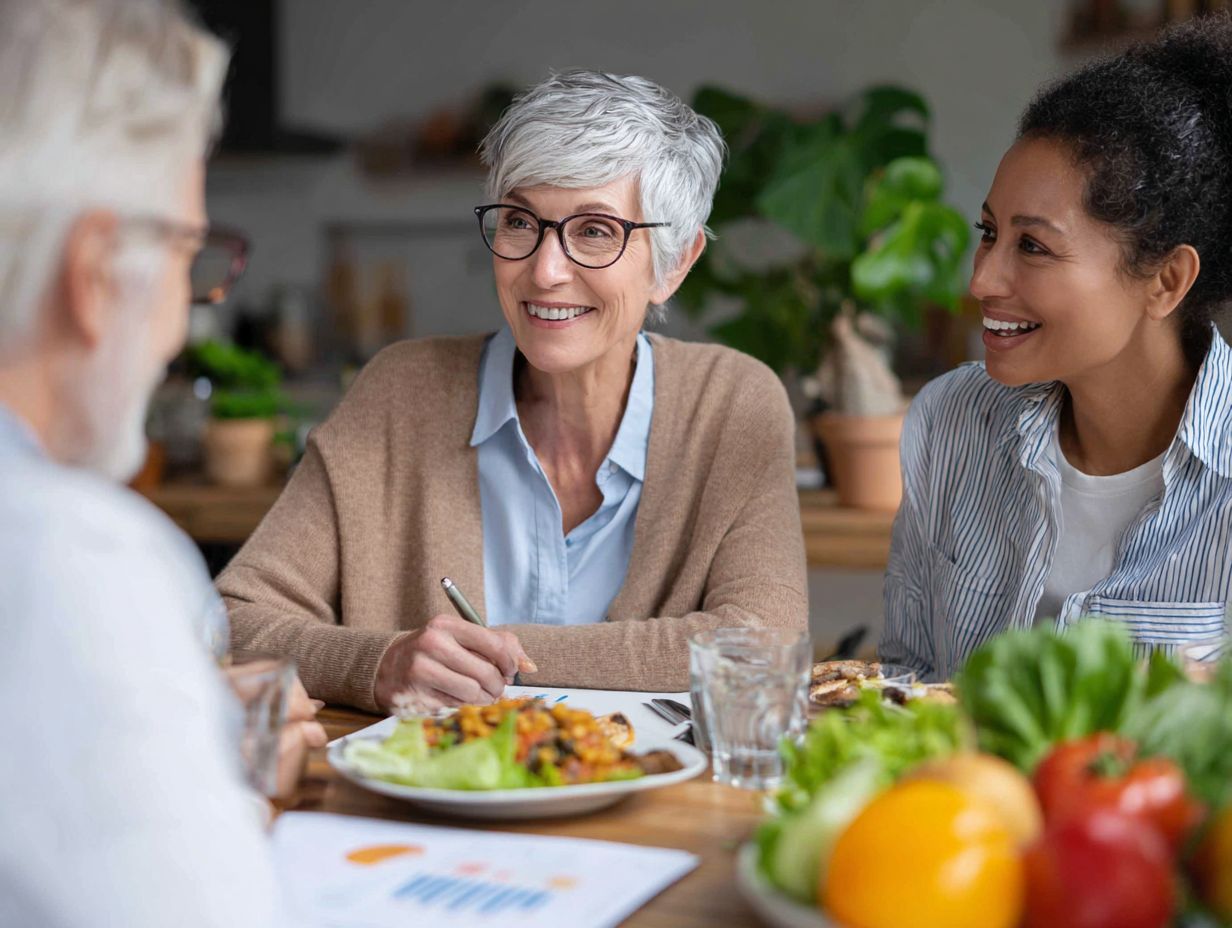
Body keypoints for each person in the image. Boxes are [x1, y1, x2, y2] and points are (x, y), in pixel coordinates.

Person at [218, 70, 809, 713]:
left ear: (674, 265)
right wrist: (379, 662)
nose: (546, 271)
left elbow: (763, 644)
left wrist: (499, 654)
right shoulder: (401, 392)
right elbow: (232, 621)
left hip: (651, 803)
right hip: (426, 806)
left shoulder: (732, 402)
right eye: (520, 221)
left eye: (594, 232)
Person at [0, 2, 320, 925]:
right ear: (97, 275)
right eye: (189, 251)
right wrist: (223, 798)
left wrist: (167, 724)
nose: (185, 317)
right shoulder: (71, 555)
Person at [880, 15, 1232, 680]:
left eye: (1034, 247)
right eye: (989, 233)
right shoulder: (952, 420)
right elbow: (910, 677)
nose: (982, 280)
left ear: (1167, 280)